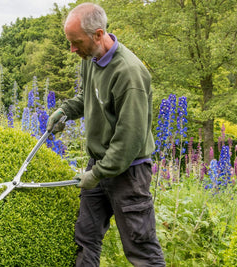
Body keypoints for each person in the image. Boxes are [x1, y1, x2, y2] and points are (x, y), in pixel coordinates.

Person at [46, 3, 166, 266]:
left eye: (76, 42)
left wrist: (96, 175)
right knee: (85, 240)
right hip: (99, 166)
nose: (72, 49)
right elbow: (87, 96)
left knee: (141, 249)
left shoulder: (129, 74)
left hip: (129, 174)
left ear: (98, 34)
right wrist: (64, 111)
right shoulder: (91, 59)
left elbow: (128, 141)